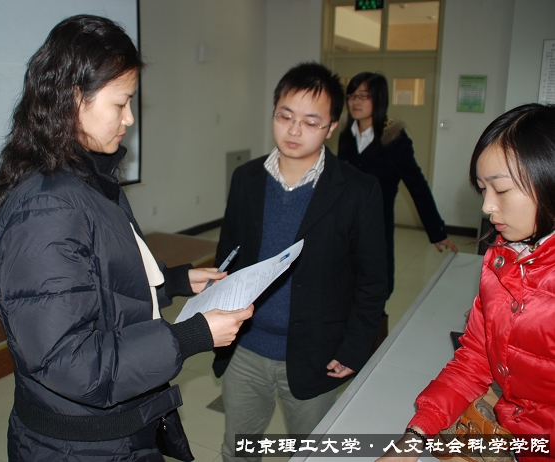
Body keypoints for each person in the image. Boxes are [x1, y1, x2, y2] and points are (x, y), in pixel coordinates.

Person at [0, 15, 252, 461]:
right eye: (121, 103)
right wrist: (192, 336)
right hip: (80, 447)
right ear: (74, 99)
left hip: (109, 435)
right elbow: (69, 361)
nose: (129, 118)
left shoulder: (83, 180)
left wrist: (176, 282)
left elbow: (99, 284)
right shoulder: (47, 210)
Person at [212, 62, 389, 461]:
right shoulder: (246, 178)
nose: (294, 131)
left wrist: (355, 347)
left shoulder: (358, 190)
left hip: (317, 354)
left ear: (331, 127)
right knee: (239, 451)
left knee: (314, 453)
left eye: (310, 122)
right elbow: (229, 258)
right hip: (245, 348)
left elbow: (373, 280)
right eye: (285, 117)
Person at [379, 103, 555, 462]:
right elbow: (475, 359)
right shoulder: (503, 260)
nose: (487, 207)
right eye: (482, 189)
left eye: (501, 190)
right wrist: (415, 437)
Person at [338, 72, 457, 297]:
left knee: (377, 283)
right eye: (351, 96)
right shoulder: (346, 135)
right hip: (345, 224)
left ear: (379, 98)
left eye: (364, 96)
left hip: (377, 225)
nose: (355, 102)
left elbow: (417, 185)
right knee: (344, 280)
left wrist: (437, 231)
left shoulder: (394, 140)